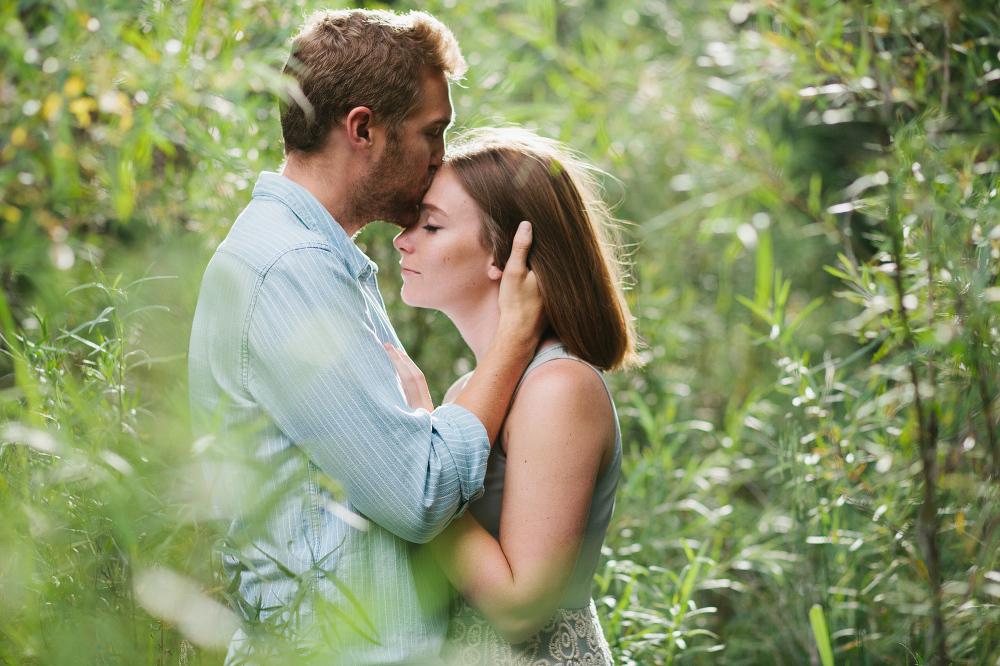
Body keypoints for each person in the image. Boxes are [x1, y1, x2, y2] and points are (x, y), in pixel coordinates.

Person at [187, 10, 545, 664]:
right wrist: (513, 343)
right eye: (433, 133)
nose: (442, 159)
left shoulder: (313, 259)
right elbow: (420, 492)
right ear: (363, 130)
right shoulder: (288, 267)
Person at [386, 127, 638, 665]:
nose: (401, 239)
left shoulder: (559, 388)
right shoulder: (467, 391)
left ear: (507, 251)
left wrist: (419, 463)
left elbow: (521, 609)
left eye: (430, 225)